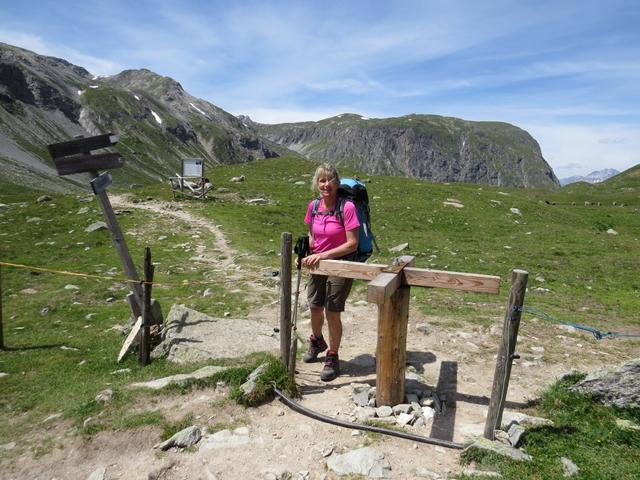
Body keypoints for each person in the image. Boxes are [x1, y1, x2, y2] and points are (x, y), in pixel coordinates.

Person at [302, 163, 360, 381]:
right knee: (315, 307)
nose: (326, 185)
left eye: (330, 180)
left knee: (332, 311)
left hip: (341, 263)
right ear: (317, 183)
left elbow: (352, 244)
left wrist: (324, 255)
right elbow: (312, 237)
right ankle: (317, 340)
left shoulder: (347, 208)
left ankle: (332, 355)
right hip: (317, 264)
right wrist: (306, 252)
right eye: (321, 180)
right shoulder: (313, 206)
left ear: (337, 182)